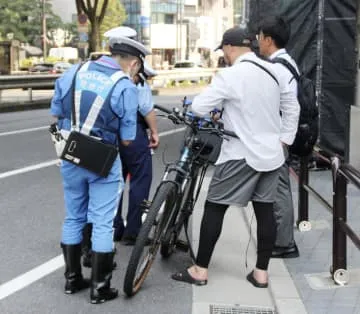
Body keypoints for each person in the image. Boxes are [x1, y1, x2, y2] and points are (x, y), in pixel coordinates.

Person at [171, 27, 299, 288]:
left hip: (240, 154)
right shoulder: (275, 71)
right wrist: (284, 140)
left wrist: (217, 112)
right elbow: (291, 107)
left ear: (229, 48)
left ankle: (200, 270)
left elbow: (198, 108)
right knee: (265, 211)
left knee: (215, 207)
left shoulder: (230, 75)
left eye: (224, 51)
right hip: (272, 154)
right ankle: (261, 273)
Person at [51, 29, 150, 304]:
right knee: (103, 221)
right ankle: (100, 287)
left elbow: (56, 111)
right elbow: (129, 139)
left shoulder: (73, 71)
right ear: (135, 63)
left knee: (73, 216)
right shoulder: (125, 86)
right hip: (102, 160)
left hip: (70, 153)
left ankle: (72, 280)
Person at [257, 16, 300, 258]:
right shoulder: (286, 62)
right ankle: (280, 239)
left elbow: (290, 107)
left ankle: (285, 244)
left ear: (269, 40)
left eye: (260, 37)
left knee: (280, 189)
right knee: (277, 188)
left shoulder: (278, 67)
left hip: (279, 138)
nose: (258, 42)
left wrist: (284, 141)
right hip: (280, 136)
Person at [113, 61, 159, 245]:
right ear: (137, 65)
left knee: (114, 181)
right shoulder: (137, 82)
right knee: (141, 178)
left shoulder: (110, 78)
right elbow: (147, 109)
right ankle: (133, 231)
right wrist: (154, 132)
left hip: (110, 134)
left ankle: (114, 227)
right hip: (133, 135)